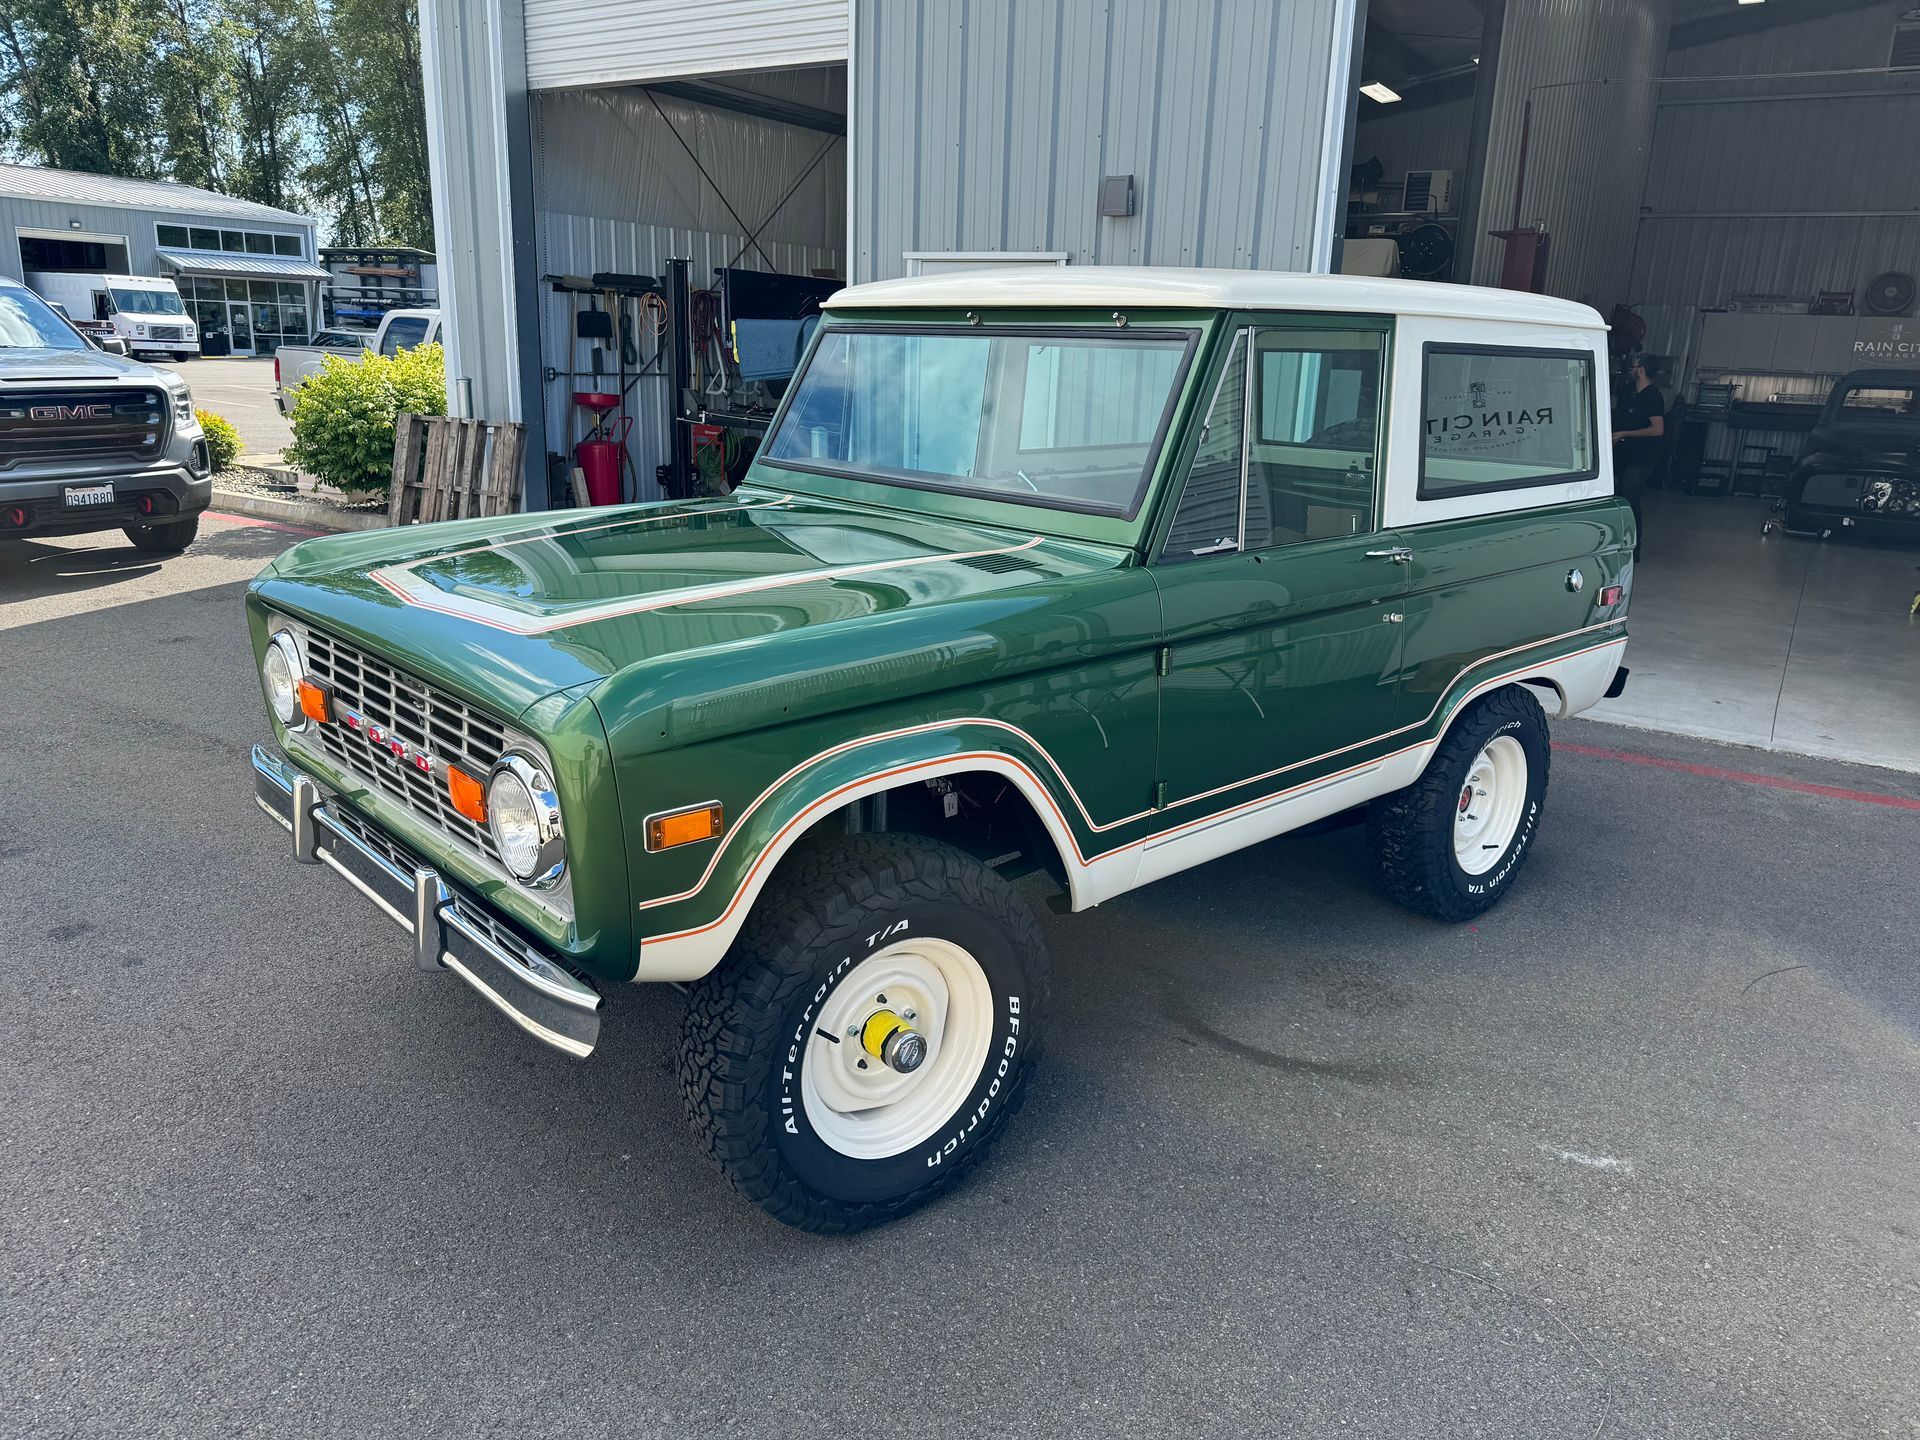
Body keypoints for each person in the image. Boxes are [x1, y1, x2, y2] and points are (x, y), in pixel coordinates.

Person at [1611, 355, 1666, 559]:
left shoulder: (1652, 396)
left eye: (1634, 366)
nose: (1631, 370)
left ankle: (1634, 549)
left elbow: (1657, 429)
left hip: (1643, 458)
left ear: (1641, 370)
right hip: (1628, 455)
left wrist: (1626, 434)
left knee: (1631, 501)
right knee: (1622, 497)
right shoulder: (1633, 394)